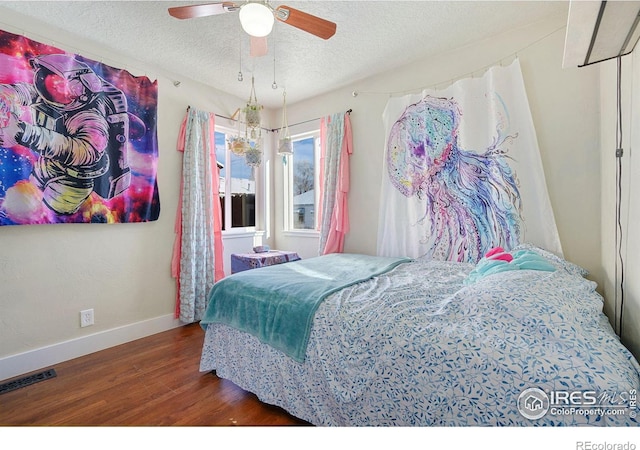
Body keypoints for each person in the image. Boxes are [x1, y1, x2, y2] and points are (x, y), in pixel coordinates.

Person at [0, 53, 130, 215]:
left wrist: (24, 133)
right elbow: (23, 92)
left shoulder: (89, 117)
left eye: (60, 84)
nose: (53, 87)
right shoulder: (44, 97)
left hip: (73, 180)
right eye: (48, 80)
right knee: (29, 199)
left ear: (78, 88)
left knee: (51, 214)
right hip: (47, 164)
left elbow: (85, 151)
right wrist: (5, 96)